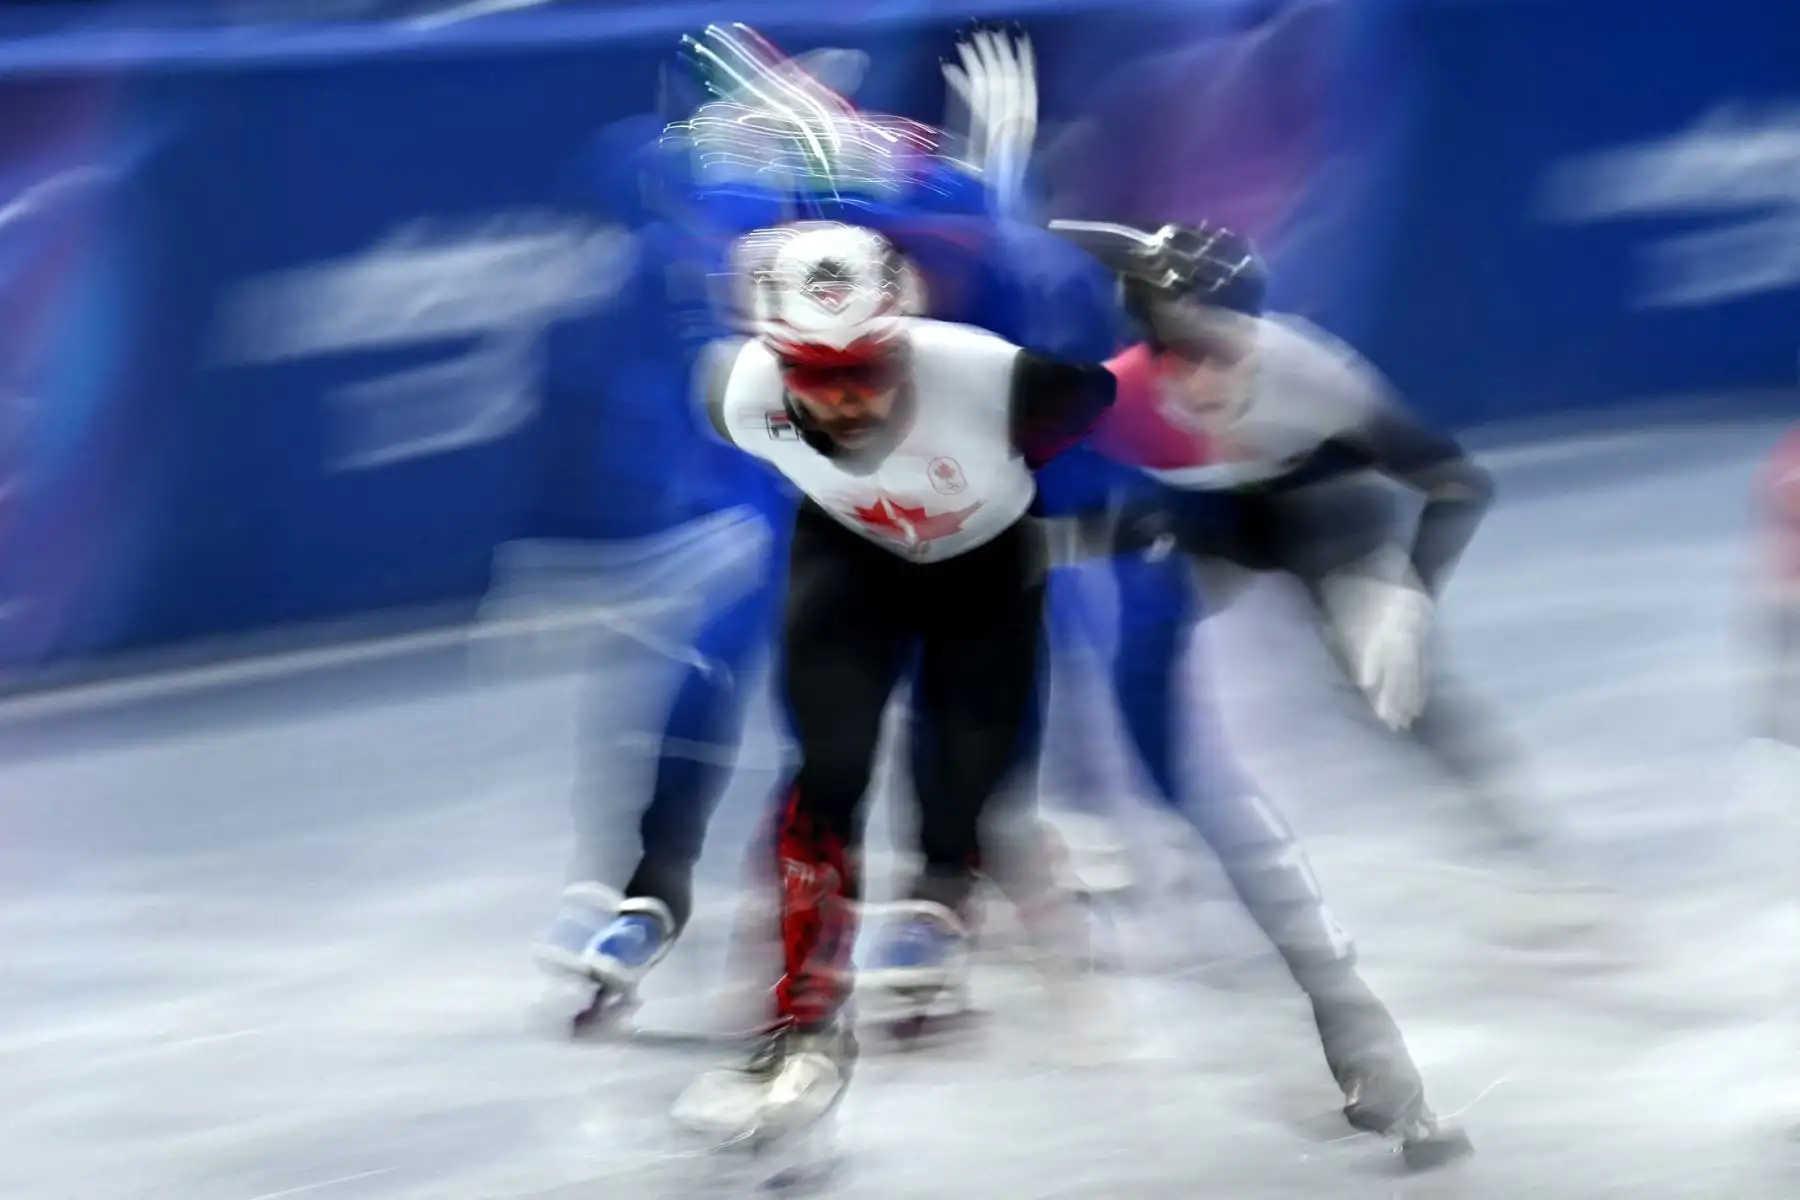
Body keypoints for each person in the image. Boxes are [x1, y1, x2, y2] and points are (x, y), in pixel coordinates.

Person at [669, 219, 1115, 1139]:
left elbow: (1114, 399)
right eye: (815, 378)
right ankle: (799, 1024)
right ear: (772, 357)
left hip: (988, 570)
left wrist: (1094, 526)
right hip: (849, 556)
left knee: (968, 776)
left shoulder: (997, 374)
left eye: (868, 370)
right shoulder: (733, 392)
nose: (844, 403)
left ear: (904, 342)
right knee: (827, 767)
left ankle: (943, 887)